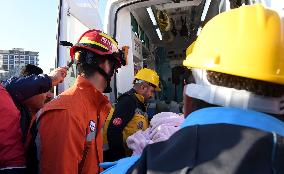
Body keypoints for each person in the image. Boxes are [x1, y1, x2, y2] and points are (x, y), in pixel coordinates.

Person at [101, 4, 284, 173]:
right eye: (150, 90)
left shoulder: (128, 169)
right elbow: (114, 132)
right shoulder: (129, 102)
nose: (151, 94)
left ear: (187, 98)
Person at [32, 29, 126, 174]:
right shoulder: (66, 113)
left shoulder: (93, 105)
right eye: (115, 67)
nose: (114, 73)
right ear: (106, 65)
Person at [0, 67, 67, 174]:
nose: (50, 95)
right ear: (30, 90)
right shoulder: (8, 93)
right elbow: (10, 85)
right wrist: (50, 79)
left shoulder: (36, 115)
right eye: (44, 90)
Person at [103, 68, 160, 162]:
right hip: (122, 158)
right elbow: (113, 132)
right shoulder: (127, 101)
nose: (152, 95)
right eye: (152, 91)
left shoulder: (139, 103)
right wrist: (121, 161)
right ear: (143, 87)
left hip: (132, 157)